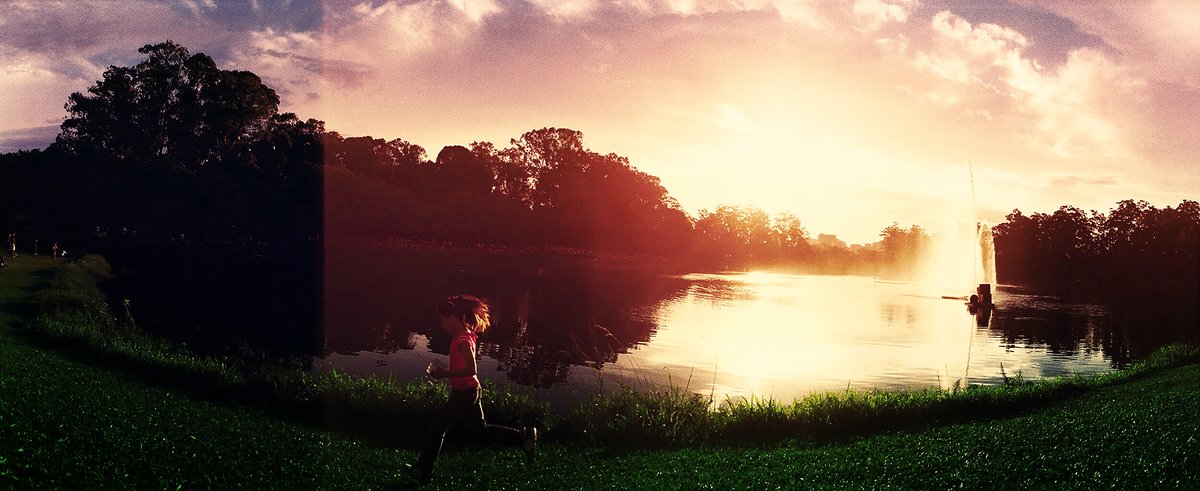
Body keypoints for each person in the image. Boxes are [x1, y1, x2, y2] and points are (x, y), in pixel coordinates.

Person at [406, 295, 537, 483]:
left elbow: (470, 369)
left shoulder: (462, 340)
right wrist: (447, 368)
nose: (442, 326)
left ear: (453, 317)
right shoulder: (466, 334)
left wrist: (444, 374)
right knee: (480, 430)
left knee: (437, 427)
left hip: (465, 393)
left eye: (443, 321)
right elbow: (464, 367)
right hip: (471, 389)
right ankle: (523, 437)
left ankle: (423, 471)